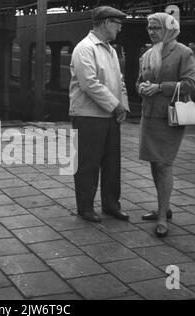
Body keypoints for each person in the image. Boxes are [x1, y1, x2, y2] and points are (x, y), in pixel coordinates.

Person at [136, 13, 195, 237]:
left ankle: (162, 216)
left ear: (169, 29)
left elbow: (190, 84)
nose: (151, 31)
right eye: (149, 27)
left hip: (170, 118)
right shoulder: (147, 54)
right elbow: (139, 81)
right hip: (149, 116)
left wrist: (160, 87)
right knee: (155, 162)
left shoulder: (183, 52)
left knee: (164, 164)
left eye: (156, 27)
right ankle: (165, 207)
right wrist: (141, 88)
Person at [69, 6, 130, 223]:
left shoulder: (110, 50)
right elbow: (89, 84)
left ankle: (111, 205)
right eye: (118, 24)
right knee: (88, 163)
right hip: (88, 115)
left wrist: (123, 105)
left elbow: (119, 80)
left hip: (110, 114)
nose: (120, 29)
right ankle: (85, 207)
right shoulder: (84, 48)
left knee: (112, 163)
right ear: (106, 23)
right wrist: (116, 106)